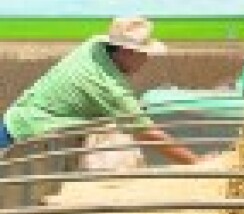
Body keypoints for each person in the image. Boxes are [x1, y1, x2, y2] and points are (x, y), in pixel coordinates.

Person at [0, 16, 207, 164]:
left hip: (20, 122)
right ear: (126, 51)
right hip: (21, 138)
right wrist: (196, 164)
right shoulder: (108, 87)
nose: (146, 59)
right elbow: (146, 132)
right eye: (143, 53)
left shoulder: (94, 46)